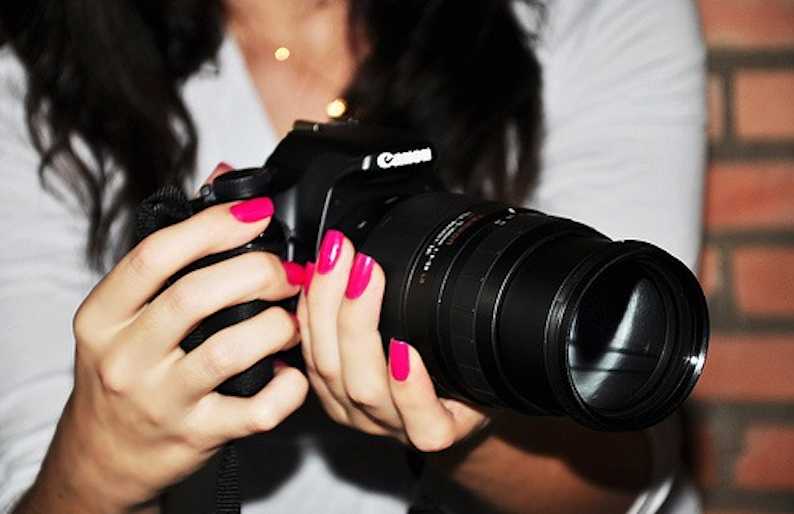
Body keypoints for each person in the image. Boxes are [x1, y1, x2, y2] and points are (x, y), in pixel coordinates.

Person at [0, 0, 708, 512]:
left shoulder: (587, 14)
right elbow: (34, 466)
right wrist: (98, 469)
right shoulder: (33, 81)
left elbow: (623, 420)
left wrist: (457, 413)